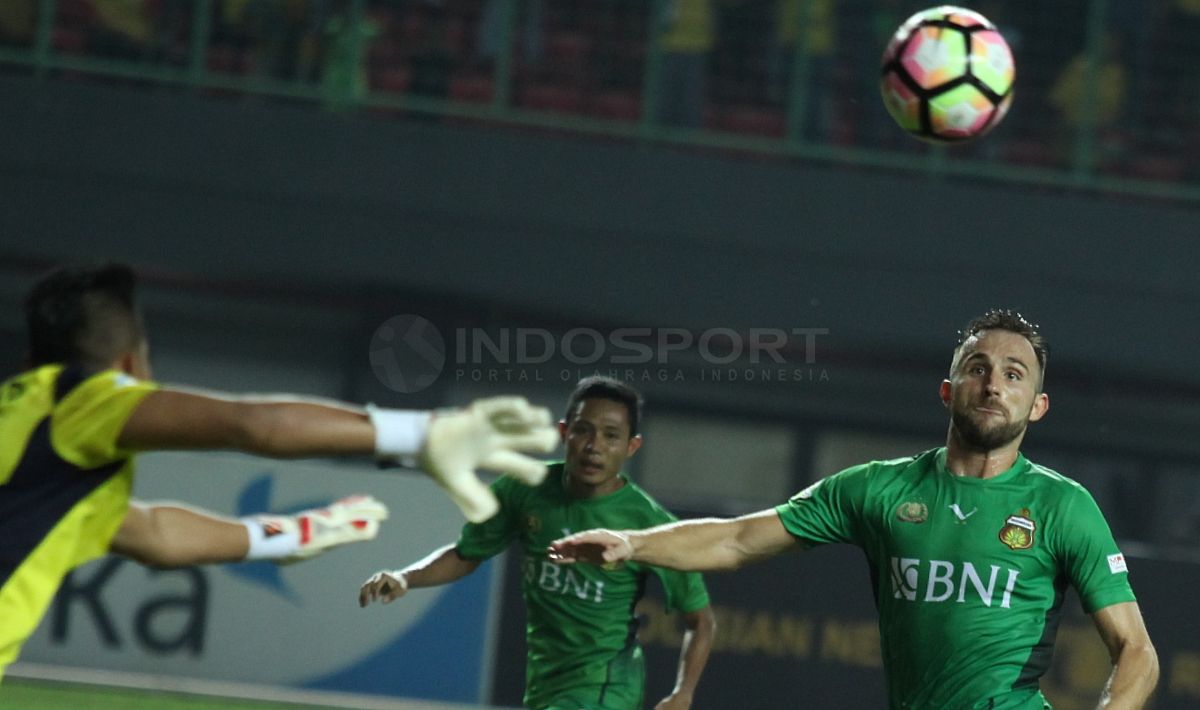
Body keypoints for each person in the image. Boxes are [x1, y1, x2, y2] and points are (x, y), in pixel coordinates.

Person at [551, 311, 1159, 710]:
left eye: (1013, 374)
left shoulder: (1062, 506)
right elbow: (738, 540)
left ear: (1039, 405)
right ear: (948, 391)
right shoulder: (878, 491)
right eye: (977, 369)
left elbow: (1137, 651)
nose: (993, 384)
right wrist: (634, 544)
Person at [0, 262, 559, 679]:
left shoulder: (31, 446)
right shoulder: (78, 401)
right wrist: (419, 435)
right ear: (127, 366)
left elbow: (155, 536)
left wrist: (292, 535)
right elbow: (249, 425)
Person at [360, 377, 716, 710]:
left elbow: (701, 621)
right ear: (564, 432)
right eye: (583, 431)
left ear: (631, 446)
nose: (594, 447)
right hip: (544, 685)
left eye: (611, 436)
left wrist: (682, 693)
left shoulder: (651, 524)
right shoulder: (524, 488)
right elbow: (466, 554)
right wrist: (405, 578)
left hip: (606, 688)